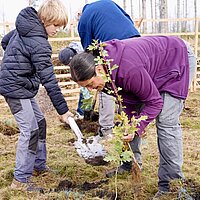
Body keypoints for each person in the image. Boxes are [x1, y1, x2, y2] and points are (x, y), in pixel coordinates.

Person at [68, 36, 196, 198]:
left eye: (90, 84)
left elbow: (154, 102)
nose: (92, 89)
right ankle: (129, 165)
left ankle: (170, 185)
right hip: (152, 68)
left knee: (166, 122)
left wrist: (137, 127)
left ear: (99, 69)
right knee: (126, 122)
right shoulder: (106, 74)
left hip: (176, 59)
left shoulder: (128, 68)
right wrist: (130, 125)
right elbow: (127, 99)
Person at [0, 0, 72, 192]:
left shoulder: (24, 27)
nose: (57, 29)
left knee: (40, 122)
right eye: (55, 25)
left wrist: (19, 62)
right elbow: (49, 81)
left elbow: (5, 42)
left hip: (21, 84)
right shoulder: (39, 43)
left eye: (61, 26)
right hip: (16, 88)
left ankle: (38, 166)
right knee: (30, 130)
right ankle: (20, 181)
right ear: (45, 19)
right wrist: (63, 111)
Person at [78, 0, 140, 136]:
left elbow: (88, 51)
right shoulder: (109, 3)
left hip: (112, 50)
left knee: (105, 85)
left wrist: (93, 72)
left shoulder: (84, 18)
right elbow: (127, 19)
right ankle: (127, 125)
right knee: (129, 86)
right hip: (136, 46)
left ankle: (106, 130)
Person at [59, 41, 90, 120]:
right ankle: (82, 112)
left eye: (70, 64)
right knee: (84, 90)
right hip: (82, 68)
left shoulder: (85, 51)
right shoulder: (69, 54)